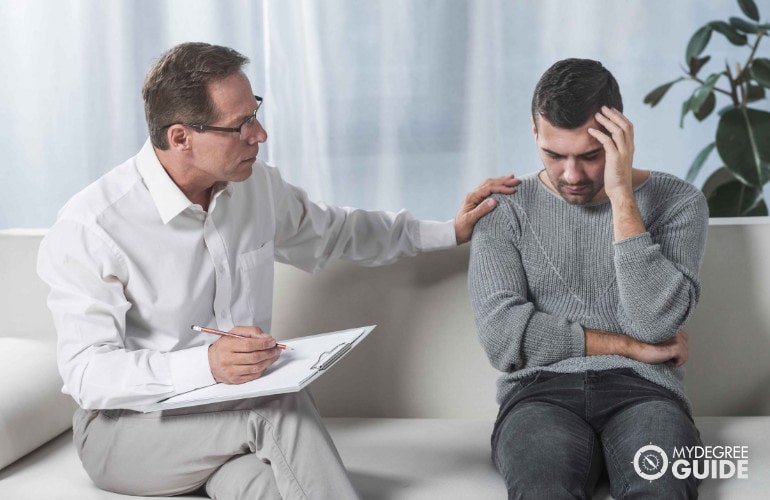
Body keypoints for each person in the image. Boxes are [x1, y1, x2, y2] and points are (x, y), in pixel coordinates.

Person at [37, 42, 519, 499]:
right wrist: (206, 364)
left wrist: (448, 232)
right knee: (277, 405)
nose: (260, 135)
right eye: (241, 124)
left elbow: (338, 231)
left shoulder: (254, 186)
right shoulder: (93, 226)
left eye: (256, 113)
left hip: (224, 422)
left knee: (264, 485)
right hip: (127, 433)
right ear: (180, 137)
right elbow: (86, 372)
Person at [468, 58, 708, 499]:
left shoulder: (678, 202)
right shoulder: (504, 210)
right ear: (534, 132)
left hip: (647, 392)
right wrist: (626, 345)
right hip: (539, 394)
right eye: (554, 155)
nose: (572, 175)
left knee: (663, 490)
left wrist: (621, 196)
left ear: (619, 139)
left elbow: (655, 322)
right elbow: (504, 339)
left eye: (590, 156)